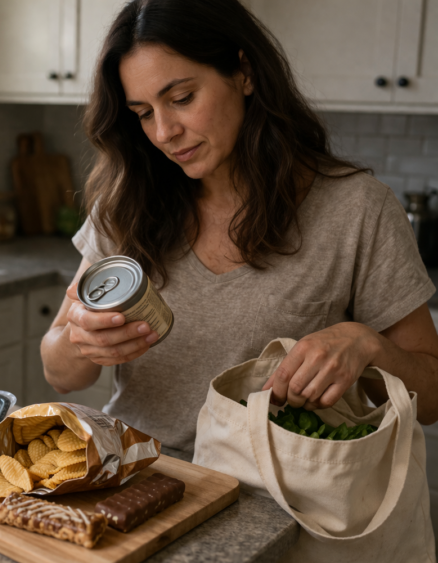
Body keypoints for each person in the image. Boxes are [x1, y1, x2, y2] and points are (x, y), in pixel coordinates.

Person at [40, 0, 438, 457]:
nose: (164, 132)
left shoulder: (357, 210)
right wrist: (81, 339)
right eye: (144, 112)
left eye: (182, 98)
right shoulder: (129, 199)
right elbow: (61, 373)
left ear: (244, 72)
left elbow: (431, 400)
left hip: (276, 500)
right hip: (140, 476)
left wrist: (368, 345)